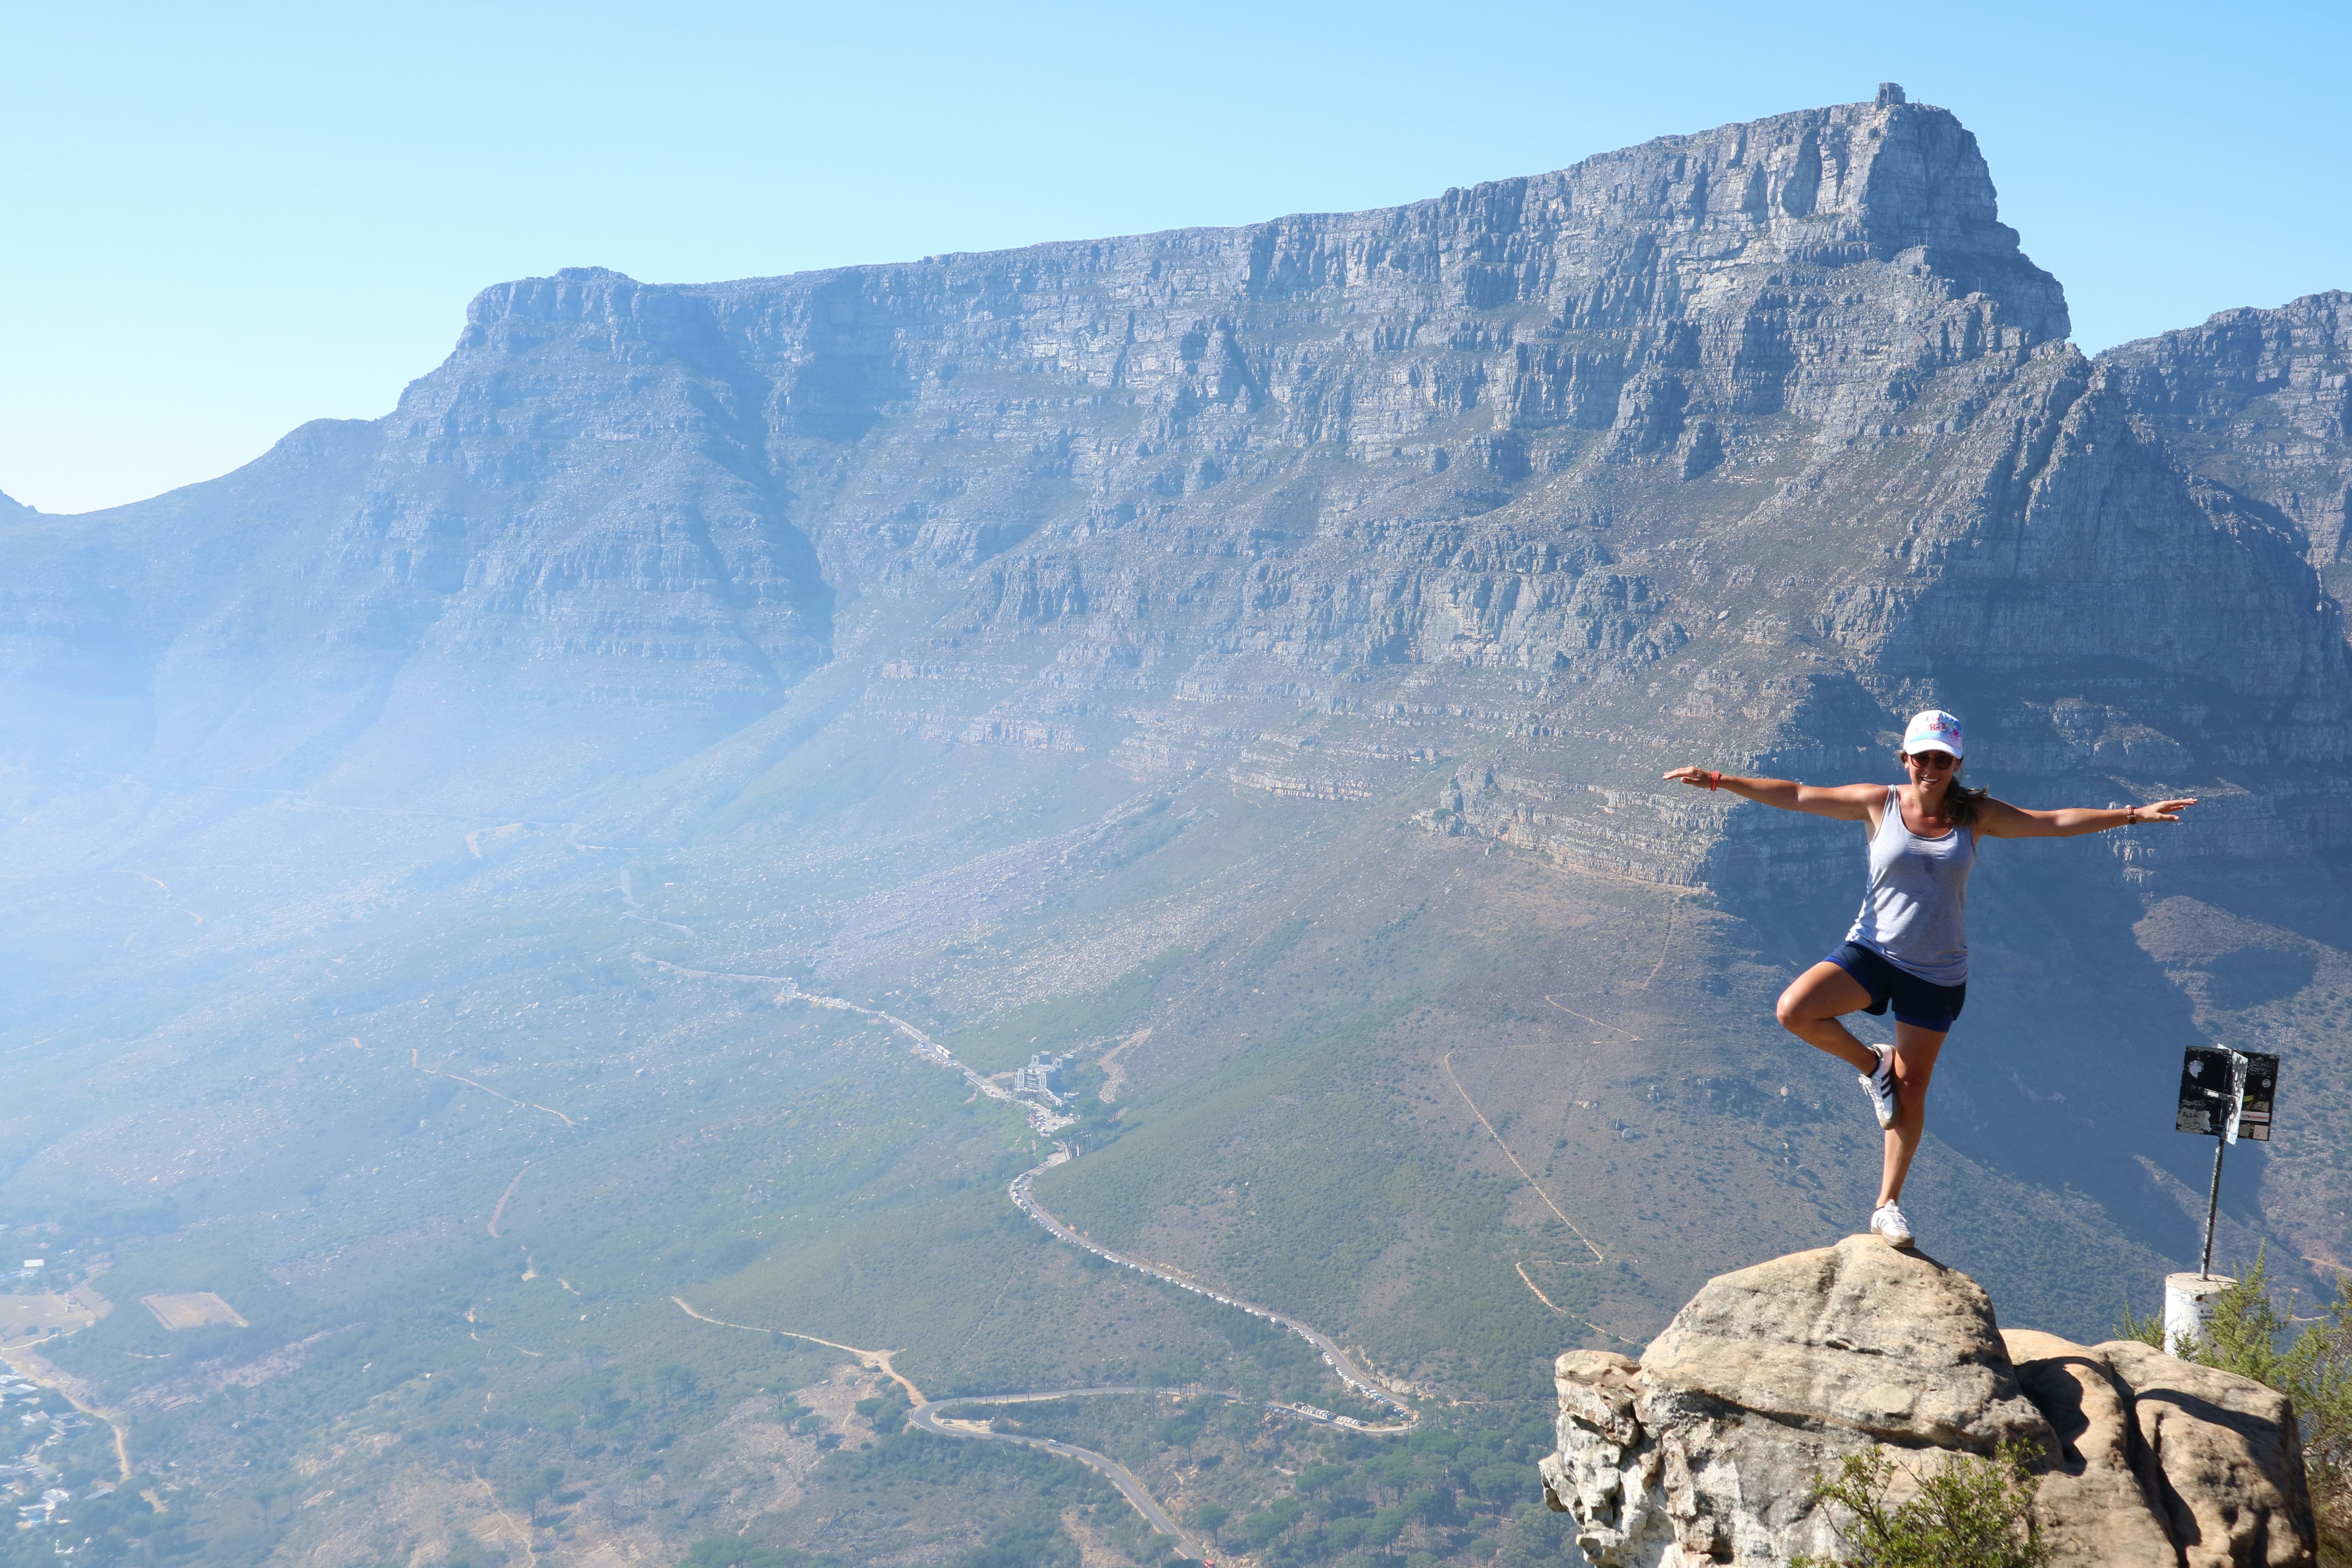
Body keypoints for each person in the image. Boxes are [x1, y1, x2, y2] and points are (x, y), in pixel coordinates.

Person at [1664, 710, 2196, 1249]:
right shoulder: (1879, 803)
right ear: (1906, 759)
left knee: (1913, 1092)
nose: (1931, 767)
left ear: (1957, 763)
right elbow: (1799, 794)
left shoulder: (1976, 815)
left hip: (1937, 973)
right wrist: (1717, 780)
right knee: (1795, 1010)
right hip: (1871, 951)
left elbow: (2052, 821)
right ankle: (1874, 1066)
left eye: (1942, 759)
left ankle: (1887, 1206)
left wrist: (2132, 815)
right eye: (1922, 757)